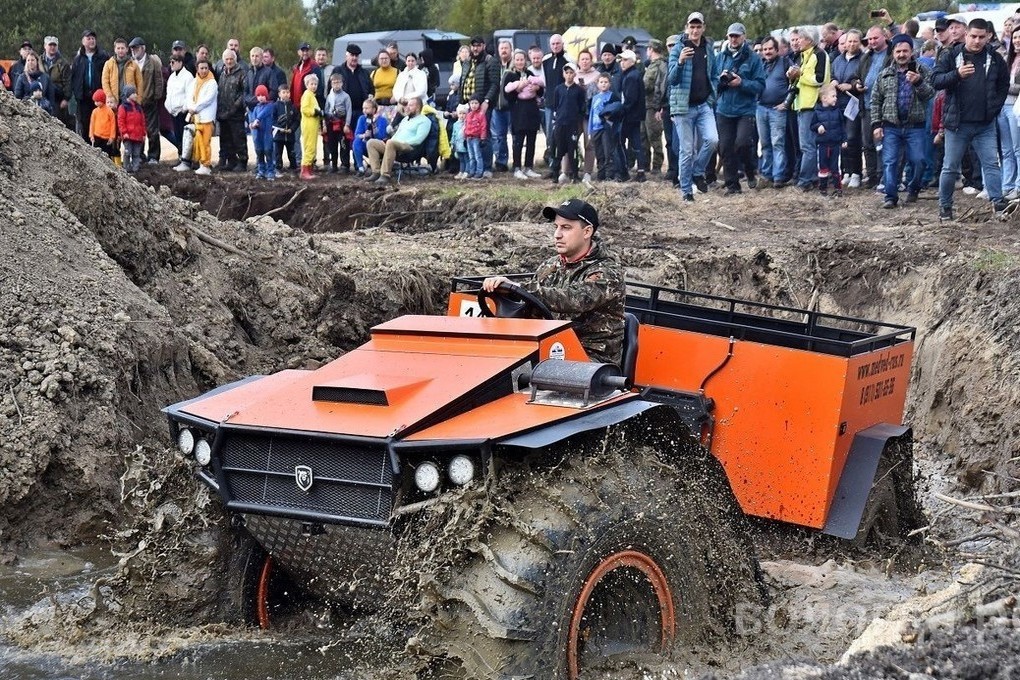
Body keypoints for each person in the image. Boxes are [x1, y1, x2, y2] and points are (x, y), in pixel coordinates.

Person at [481, 199, 625, 366]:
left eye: (566, 228)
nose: (557, 234)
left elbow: (574, 299)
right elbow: (532, 303)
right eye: (556, 227)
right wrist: (506, 294)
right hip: (549, 347)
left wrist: (518, 288)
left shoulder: (607, 272)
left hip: (591, 358)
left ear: (587, 232)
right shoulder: (550, 265)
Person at [933, 18, 1010, 219]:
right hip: (957, 124)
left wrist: (995, 107)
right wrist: (956, 74)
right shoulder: (951, 55)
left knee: (991, 164)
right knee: (949, 167)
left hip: (985, 123)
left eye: (981, 37)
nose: (977, 41)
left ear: (988, 36)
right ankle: (945, 207)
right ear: (966, 34)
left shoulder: (994, 58)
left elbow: (1003, 85)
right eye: (973, 36)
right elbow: (935, 81)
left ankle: (999, 205)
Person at [871, 34, 935, 208]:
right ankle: (890, 197)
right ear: (893, 53)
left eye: (905, 51)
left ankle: (914, 188)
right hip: (891, 126)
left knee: (919, 160)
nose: (901, 55)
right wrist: (876, 124)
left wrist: (918, 82)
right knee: (890, 161)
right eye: (898, 51)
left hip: (916, 126)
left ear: (911, 51)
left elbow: (930, 94)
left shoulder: (923, 71)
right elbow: (875, 100)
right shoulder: (884, 74)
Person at [667, 11, 719, 203]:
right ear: (686, 28)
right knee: (687, 150)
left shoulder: (708, 48)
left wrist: (712, 97)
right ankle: (686, 190)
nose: (695, 30)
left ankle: (698, 172)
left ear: (703, 28)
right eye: (692, 26)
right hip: (683, 107)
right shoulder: (677, 48)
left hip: (704, 104)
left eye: (698, 27)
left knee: (713, 140)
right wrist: (680, 61)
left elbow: (714, 74)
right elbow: (671, 80)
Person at [713, 23, 765, 194]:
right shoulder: (720, 57)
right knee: (725, 147)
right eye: (731, 36)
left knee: (742, 143)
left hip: (745, 109)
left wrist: (741, 83)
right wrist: (720, 82)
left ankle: (750, 171)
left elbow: (760, 85)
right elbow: (713, 83)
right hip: (724, 108)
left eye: (736, 36)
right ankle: (732, 185)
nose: (733, 39)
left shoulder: (754, 58)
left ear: (744, 36)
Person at [788, 26, 831, 191]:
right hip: (801, 104)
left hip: (812, 105)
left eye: (801, 38)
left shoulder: (819, 54)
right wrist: (792, 77)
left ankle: (805, 181)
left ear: (810, 40)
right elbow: (801, 79)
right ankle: (811, 178)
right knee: (805, 144)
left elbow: (819, 79)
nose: (797, 41)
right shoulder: (802, 56)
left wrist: (800, 75)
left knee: (808, 145)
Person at [364, 96, 432, 185]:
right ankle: (376, 172)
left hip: (409, 147)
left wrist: (399, 143)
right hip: (394, 145)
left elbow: (419, 139)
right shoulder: (405, 119)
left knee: (391, 143)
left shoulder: (424, 121)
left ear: (418, 107)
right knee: (371, 142)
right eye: (407, 105)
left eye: (411, 105)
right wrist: (389, 142)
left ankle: (385, 175)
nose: (407, 107)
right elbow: (396, 135)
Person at [831, 29, 865, 188]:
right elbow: (832, 75)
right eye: (848, 41)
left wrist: (850, 86)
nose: (851, 44)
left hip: (853, 103)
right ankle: (846, 171)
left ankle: (857, 172)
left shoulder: (863, 59)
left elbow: (863, 80)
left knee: (852, 138)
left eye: (854, 41)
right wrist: (833, 82)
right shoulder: (838, 60)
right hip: (839, 103)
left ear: (859, 42)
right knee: (842, 139)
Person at [756, 36, 791, 189]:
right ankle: (766, 174)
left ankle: (778, 176)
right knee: (764, 144)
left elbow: (794, 84)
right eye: (765, 49)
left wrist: (786, 103)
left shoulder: (785, 63)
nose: (768, 52)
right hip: (761, 108)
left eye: (770, 49)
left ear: (777, 50)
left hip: (778, 109)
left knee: (778, 143)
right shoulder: (760, 64)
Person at [504, 48, 544, 179]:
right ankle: (517, 167)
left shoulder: (530, 73)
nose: (520, 62)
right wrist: (518, 89)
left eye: (522, 59)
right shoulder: (510, 75)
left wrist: (537, 88)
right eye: (517, 59)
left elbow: (541, 91)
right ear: (514, 61)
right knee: (518, 140)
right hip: (518, 110)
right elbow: (507, 95)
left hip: (532, 109)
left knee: (532, 139)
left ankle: (529, 167)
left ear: (525, 60)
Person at [128, 37, 164, 164]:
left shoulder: (153, 62)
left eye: (136, 48)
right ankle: (139, 156)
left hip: (150, 101)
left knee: (152, 130)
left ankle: (153, 156)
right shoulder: (131, 63)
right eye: (132, 49)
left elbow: (158, 80)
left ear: (143, 48)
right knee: (137, 130)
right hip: (135, 103)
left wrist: (156, 96)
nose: (134, 51)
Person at [550, 62, 586, 183]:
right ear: (563, 74)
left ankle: (575, 175)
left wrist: (577, 119)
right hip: (560, 124)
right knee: (558, 150)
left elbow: (582, 106)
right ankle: (555, 174)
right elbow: (555, 106)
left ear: (575, 74)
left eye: (571, 73)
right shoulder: (558, 89)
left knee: (573, 150)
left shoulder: (579, 90)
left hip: (572, 124)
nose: (569, 75)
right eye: (567, 73)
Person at [71, 30, 110, 142]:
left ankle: (100, 148)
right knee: (84, 123)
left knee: (101, 123)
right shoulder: (78, 59)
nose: (92, 41)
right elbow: (73, 77)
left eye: (93, 38)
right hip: (83, 97)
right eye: (89, 38)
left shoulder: (103, 57)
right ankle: (87, 148)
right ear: (83, 41)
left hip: (100, 96)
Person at [811, 85, 847, 196]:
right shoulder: (817, 112)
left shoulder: (837, 111)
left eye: (835, 96)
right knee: (823, 167)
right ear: (824, 98)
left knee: (835, 167)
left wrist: (844, 139)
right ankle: (823, 188)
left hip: (835, 144)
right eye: (833, 96)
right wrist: (818, 127)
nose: (836, 98)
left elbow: (842, 126)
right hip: (822, 144)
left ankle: (838, 188)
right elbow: (812, 126)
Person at [618, 49, 647, 181]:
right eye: (621, 60)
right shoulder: (634, 74)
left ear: (631, 61)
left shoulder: (631, 76)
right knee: (636, 143)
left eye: (624, 60)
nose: (621, 63)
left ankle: (624, 169)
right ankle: (640, 170)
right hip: (635, 115)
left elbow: (630, 99)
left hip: (630, 115)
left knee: (623, 141)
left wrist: (621, 111)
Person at [217, 49, 248, 171]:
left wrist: (235, 107)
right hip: (223, 113)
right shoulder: (222, 73)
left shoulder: (242, 73)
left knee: (238, 138)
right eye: (227, 59)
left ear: (235, 59)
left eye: (231, 59)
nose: (229, 61)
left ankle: (242, 162)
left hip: (236, 113)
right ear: (223, 60)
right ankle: (231, 161)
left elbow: (244, 92)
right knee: (226, 139)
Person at [589, 72, 623, 180]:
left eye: (606, 82)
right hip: (595, 128)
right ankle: (601, 175)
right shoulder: (595, 98)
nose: (603, 84)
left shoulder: (612, 96)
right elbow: (591, 113)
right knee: (599, 153)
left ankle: (610, 175)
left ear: (609, 84)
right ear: (597, 84)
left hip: (605, 128)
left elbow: (616, 109)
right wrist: (590, 129)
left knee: (608, 152)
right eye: (601, 82)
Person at [187, 60, 218, 175]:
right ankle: (200, 163)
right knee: (198, 141)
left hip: (207, 117)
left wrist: (194, 108)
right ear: (197, 69)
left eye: (206, 68)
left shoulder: (212, 83)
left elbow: (207, 100)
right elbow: (189, 97)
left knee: (205, 142)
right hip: (197, 117)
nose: (204, 70)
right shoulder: (194, 82)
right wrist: (191, 107)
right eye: (202, 68)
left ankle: (206, 164)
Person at [642, 40, 668, 176]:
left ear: (651, 49)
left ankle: (657, 166)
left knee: (654, 135)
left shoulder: (660, 65)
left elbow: (651, 85)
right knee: (644, 136)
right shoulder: (653, 65)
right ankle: (645, 165)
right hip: (646, 105)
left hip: (654, 105)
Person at [164, 55, 194, 159]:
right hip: (173, 112)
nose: (171, 64)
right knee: (177, 136)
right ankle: (181, 156)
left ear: (180, 62)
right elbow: (169, 94)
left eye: (174, 62)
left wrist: (183, 108)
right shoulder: (172, 77)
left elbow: (190, 95)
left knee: (184, 136)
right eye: (170, 62)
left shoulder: (188, 76)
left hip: (182, 112)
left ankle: (187, 158)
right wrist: (168, 106)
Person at [491, 39, 514, 171]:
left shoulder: (515, 65)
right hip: (497, 106)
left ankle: (517, 162)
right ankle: (501, 161)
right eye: (502, 48)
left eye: (506, 48)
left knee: (516, 135)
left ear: (511, 49)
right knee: (499, 136)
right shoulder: (495, 65)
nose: (504, 50)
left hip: (512, 106)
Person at [322, 73, 353, 172]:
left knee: (344, 144)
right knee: (332, 144)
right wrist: (325, 123)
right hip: (331, 122)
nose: (336, 85)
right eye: (334, 83)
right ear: (331, 84)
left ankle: (345, 165)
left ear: (342, 83)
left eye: (338, 82)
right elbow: (326, 110)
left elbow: (349, 111)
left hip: (342, 122)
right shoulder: (329, 96)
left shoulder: (346, 96)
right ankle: (334, 165)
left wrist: (347, 124)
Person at [102, 38, 141, 112]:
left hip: (129, 100)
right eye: (118, 48)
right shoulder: (108, 64)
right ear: (115, 49)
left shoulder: (134, 65)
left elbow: (139, 83)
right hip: (114, 100)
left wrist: (138, 99)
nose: (120, 50)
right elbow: (105, 82)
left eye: (122, 48)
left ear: (127, 49)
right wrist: (110, 96)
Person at [41, 36, 72, 129]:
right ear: (45, 46)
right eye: (50, 45)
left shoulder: (64, 63)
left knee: (57, 126)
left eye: (54, 45)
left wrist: (66, 99)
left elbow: (68, 82)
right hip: (42, 97)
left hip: (58, 100)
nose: (52, 47)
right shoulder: (38, 61)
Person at [248, 84, 277, 180]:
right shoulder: (256, 108)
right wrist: (252, 124)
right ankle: (261, 170)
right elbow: (252, 119)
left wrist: (257, 119)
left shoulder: (270, 105)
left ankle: (270, 171)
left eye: (262, 95)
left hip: (266, 134)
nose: (260, 97)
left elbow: (262, 114)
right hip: (258, 135)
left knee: (268, 151)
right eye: (258, 95)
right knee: (259, 152)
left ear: (266, 95)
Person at [353, 98, 388, 175]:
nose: (364, 110)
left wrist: (374, 128)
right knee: (356, 142)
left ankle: (377, 170)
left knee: (372, 142)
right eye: (363, 108)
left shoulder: (382, 120)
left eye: (366, 108)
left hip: (378, 146)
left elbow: (382, 136)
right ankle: (361, 168)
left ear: (374, 109)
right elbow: (357, 135)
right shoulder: (362, 119)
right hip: (366, 145)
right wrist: (364, 135)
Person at [117, 85, 146, 172]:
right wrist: (124, 132)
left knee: (136, 153)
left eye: (135, 93)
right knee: (127, 153)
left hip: (138, 135)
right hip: (128, 136)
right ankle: (126, 169)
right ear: (128, 94)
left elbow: (143, 121)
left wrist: (144, 133)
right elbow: (121, 121)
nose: (135, 95)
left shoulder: (138, 107)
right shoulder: (123, 107)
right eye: (133, 93)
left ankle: (135, 169)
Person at [299, 73, 322, 180]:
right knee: (309, 147)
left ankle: (309, 168)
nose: (314, 86)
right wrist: (315, 112)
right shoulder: (307, 95)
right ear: (307, 84)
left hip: (313, 125)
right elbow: (304, 109)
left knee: (312, 147)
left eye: (315, 84)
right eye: (311, 84)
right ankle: (305, 171)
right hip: (308, 125)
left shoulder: (312, 96)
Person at [273, 85, 299, 173]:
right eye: (283, 92)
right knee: (278, 153)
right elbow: (272, 120)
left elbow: (297, 120)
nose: (286, 94)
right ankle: (278, 168)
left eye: (287, 92)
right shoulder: (275, 106)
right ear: (279, 94)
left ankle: (293, 167)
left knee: (291, 153)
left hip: (290, 135)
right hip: (278, 135)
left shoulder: (293, 106)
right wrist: (279, 128)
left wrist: (292, 129)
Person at [88, 89, 118, 164]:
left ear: (102, 100)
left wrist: (112, 137)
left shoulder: (109, 111)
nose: (96, 103)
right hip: (96, 136)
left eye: (98, 101)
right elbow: (92, 124)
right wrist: (91, 135)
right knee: (96, 155)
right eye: (95, 101)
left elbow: (113, 125)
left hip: (106, 138)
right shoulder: (95, 111)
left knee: (107, 155)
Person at [463, 95, 488, 180]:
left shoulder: (481, 115)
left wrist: (483, 138)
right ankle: (472, 171)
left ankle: (479, 171)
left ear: (479, 104)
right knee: (471, 156)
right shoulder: (468, 115)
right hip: (468, 138)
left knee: (478, 156)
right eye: (472, 103)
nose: (474, 105)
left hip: (476, 138)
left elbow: (483, 127)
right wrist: (464, 137)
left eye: (476, 103)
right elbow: (465, 126)